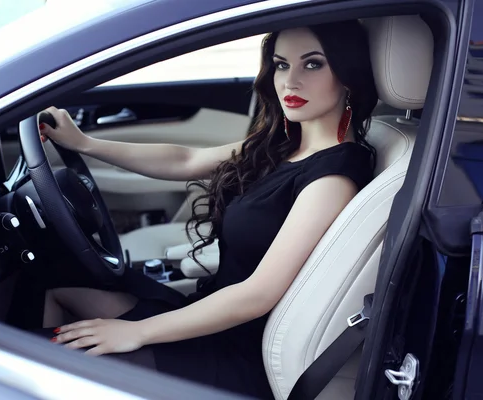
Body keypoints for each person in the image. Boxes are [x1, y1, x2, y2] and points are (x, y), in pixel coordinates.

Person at [38, 19, 378, 400]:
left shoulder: (333, 179)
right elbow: (185, 160)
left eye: (312, 64)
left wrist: (137, 332)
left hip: (237, 352)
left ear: (348, 75)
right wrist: (84, 143)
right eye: (281, 64)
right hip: (206, 314)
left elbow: (258, 294)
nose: (289, 81)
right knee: (55, 283)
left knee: (50, 362)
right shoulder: (283, 145)